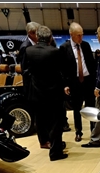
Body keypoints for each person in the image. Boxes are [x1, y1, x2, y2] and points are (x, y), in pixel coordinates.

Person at [22, 25, 68, 161]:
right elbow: (61, 73)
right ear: (50, 38)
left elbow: (25, 71)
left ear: (37, 36)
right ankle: (55, 152)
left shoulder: (28, 51)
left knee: (41, 120)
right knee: (56, 123)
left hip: (36, 93)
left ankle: (44, 142)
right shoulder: (55, 52)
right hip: (53, 93)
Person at [61, 22, 97, 143]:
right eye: (78, 35)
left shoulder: (86, 45)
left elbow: (91, 63)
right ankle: (78, 131)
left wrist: (95, 80)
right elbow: (63, 68)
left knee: (91, 107)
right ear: (71, 34)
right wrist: (65, 84)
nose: (81, 37)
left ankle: (93, 131)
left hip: (88, 81)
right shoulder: (64, 48)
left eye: (82, 34)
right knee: (77, 108)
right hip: (75, 82)